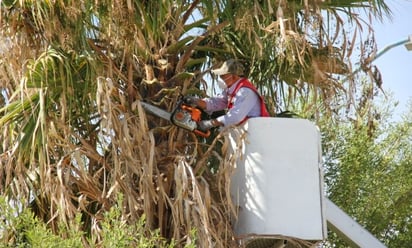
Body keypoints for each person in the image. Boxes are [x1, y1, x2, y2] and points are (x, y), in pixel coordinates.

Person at [185, 59, 270, 132]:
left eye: (223, 76)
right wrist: (195, 101)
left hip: (258, 131)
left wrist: (211, 123)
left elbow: (235, 117)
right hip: (247, 131)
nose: (220, 78)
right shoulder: (231, 90)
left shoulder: (245, 92)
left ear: (233, 76)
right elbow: (216, 103)